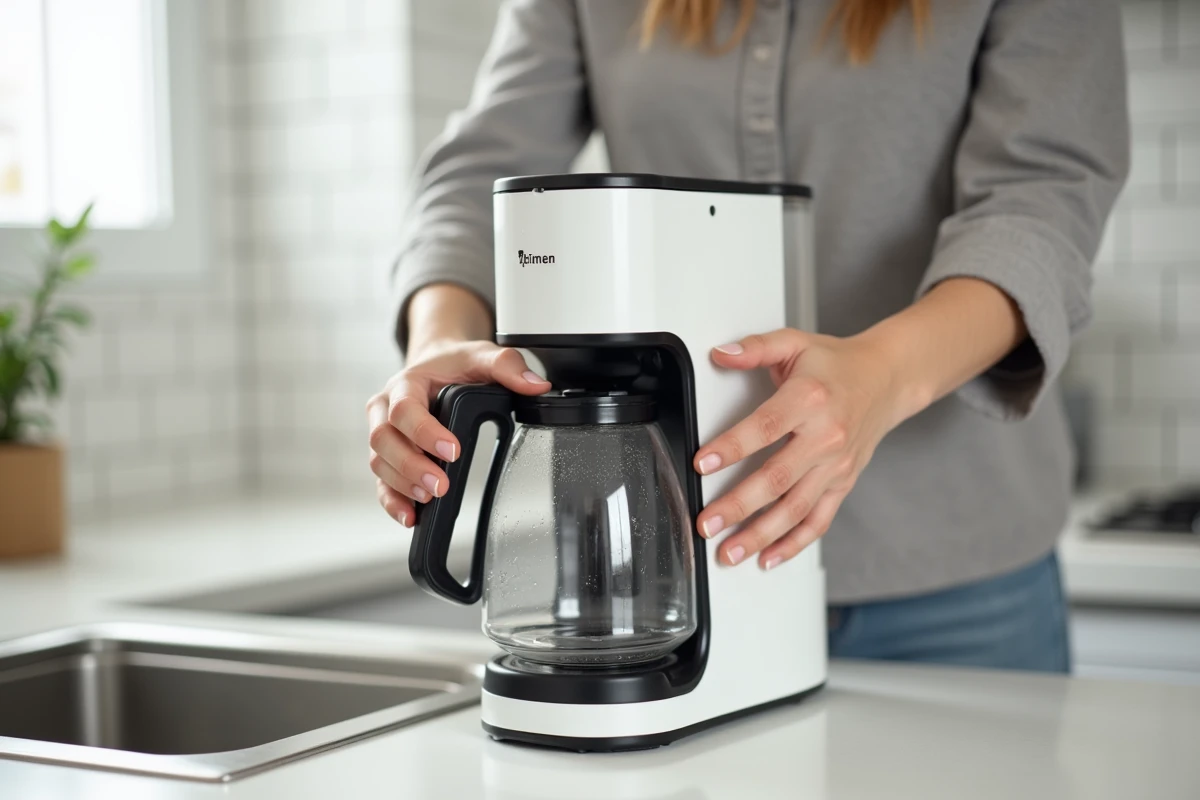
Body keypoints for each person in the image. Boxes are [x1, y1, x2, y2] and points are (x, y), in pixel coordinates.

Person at [366, 0, 1129, 673]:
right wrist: (441, 341)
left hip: (957, 584)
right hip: (674, 580)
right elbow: (483, 172)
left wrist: (883, 374)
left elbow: (1040, 201)